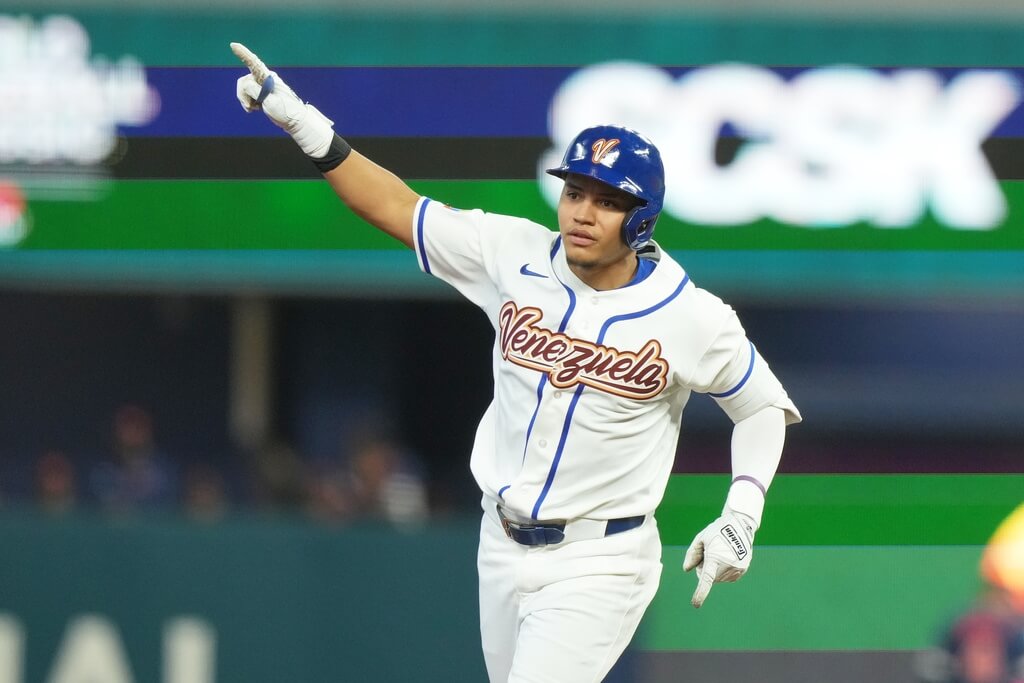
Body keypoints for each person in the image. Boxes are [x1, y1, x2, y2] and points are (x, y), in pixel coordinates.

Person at [231, 43, 801, 682]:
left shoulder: (690, 315)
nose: (583, 212)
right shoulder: (513, 252)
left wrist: (741, 515)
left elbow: (761, 406)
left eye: (607, 201)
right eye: (575, 192)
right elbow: (396, 206)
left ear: (641, 218)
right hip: (499, 540)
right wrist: (304, 125)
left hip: (600, 559)